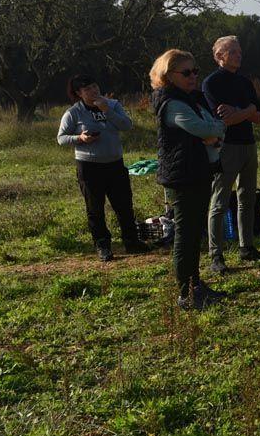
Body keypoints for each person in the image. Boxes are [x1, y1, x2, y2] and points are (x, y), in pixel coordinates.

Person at [149, 49, 229, 310]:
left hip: (198, 171)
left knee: (195, 233)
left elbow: (215, 125)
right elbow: (203, 128)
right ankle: (186, 292)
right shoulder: (171, 102)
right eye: (186, 72)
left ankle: (196, 284)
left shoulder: (191, 98)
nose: (193, 76)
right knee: (185, 233)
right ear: (168, 75)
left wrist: (214, 132)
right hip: (183, 175)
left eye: (195, 71)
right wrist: (213, 132)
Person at [56, 74, 149, 261]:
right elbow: (61, 138)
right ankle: (103, 246)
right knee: (95, 208)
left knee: (124, 205)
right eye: (87, 89)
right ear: (78, 93)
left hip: (115, 163)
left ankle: (131, 242)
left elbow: (127, 125)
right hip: (89, 166)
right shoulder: (74, 113)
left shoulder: (113, 104)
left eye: (94, 86)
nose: (93, 91)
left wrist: (107, 110)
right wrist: (79, 139)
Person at [202, 36, 260, 275]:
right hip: (225, 147)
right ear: (220, 56)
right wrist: (247, 110)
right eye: (233, 52)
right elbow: (223, 120)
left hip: (248, 144)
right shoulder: (211, 84)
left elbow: (259, 117)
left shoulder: (244, 82)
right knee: (219, 201)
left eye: (240, 51)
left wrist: (242, 111)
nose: (239, 55)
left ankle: (246, 247)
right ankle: (216, 255)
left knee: (247, 198)